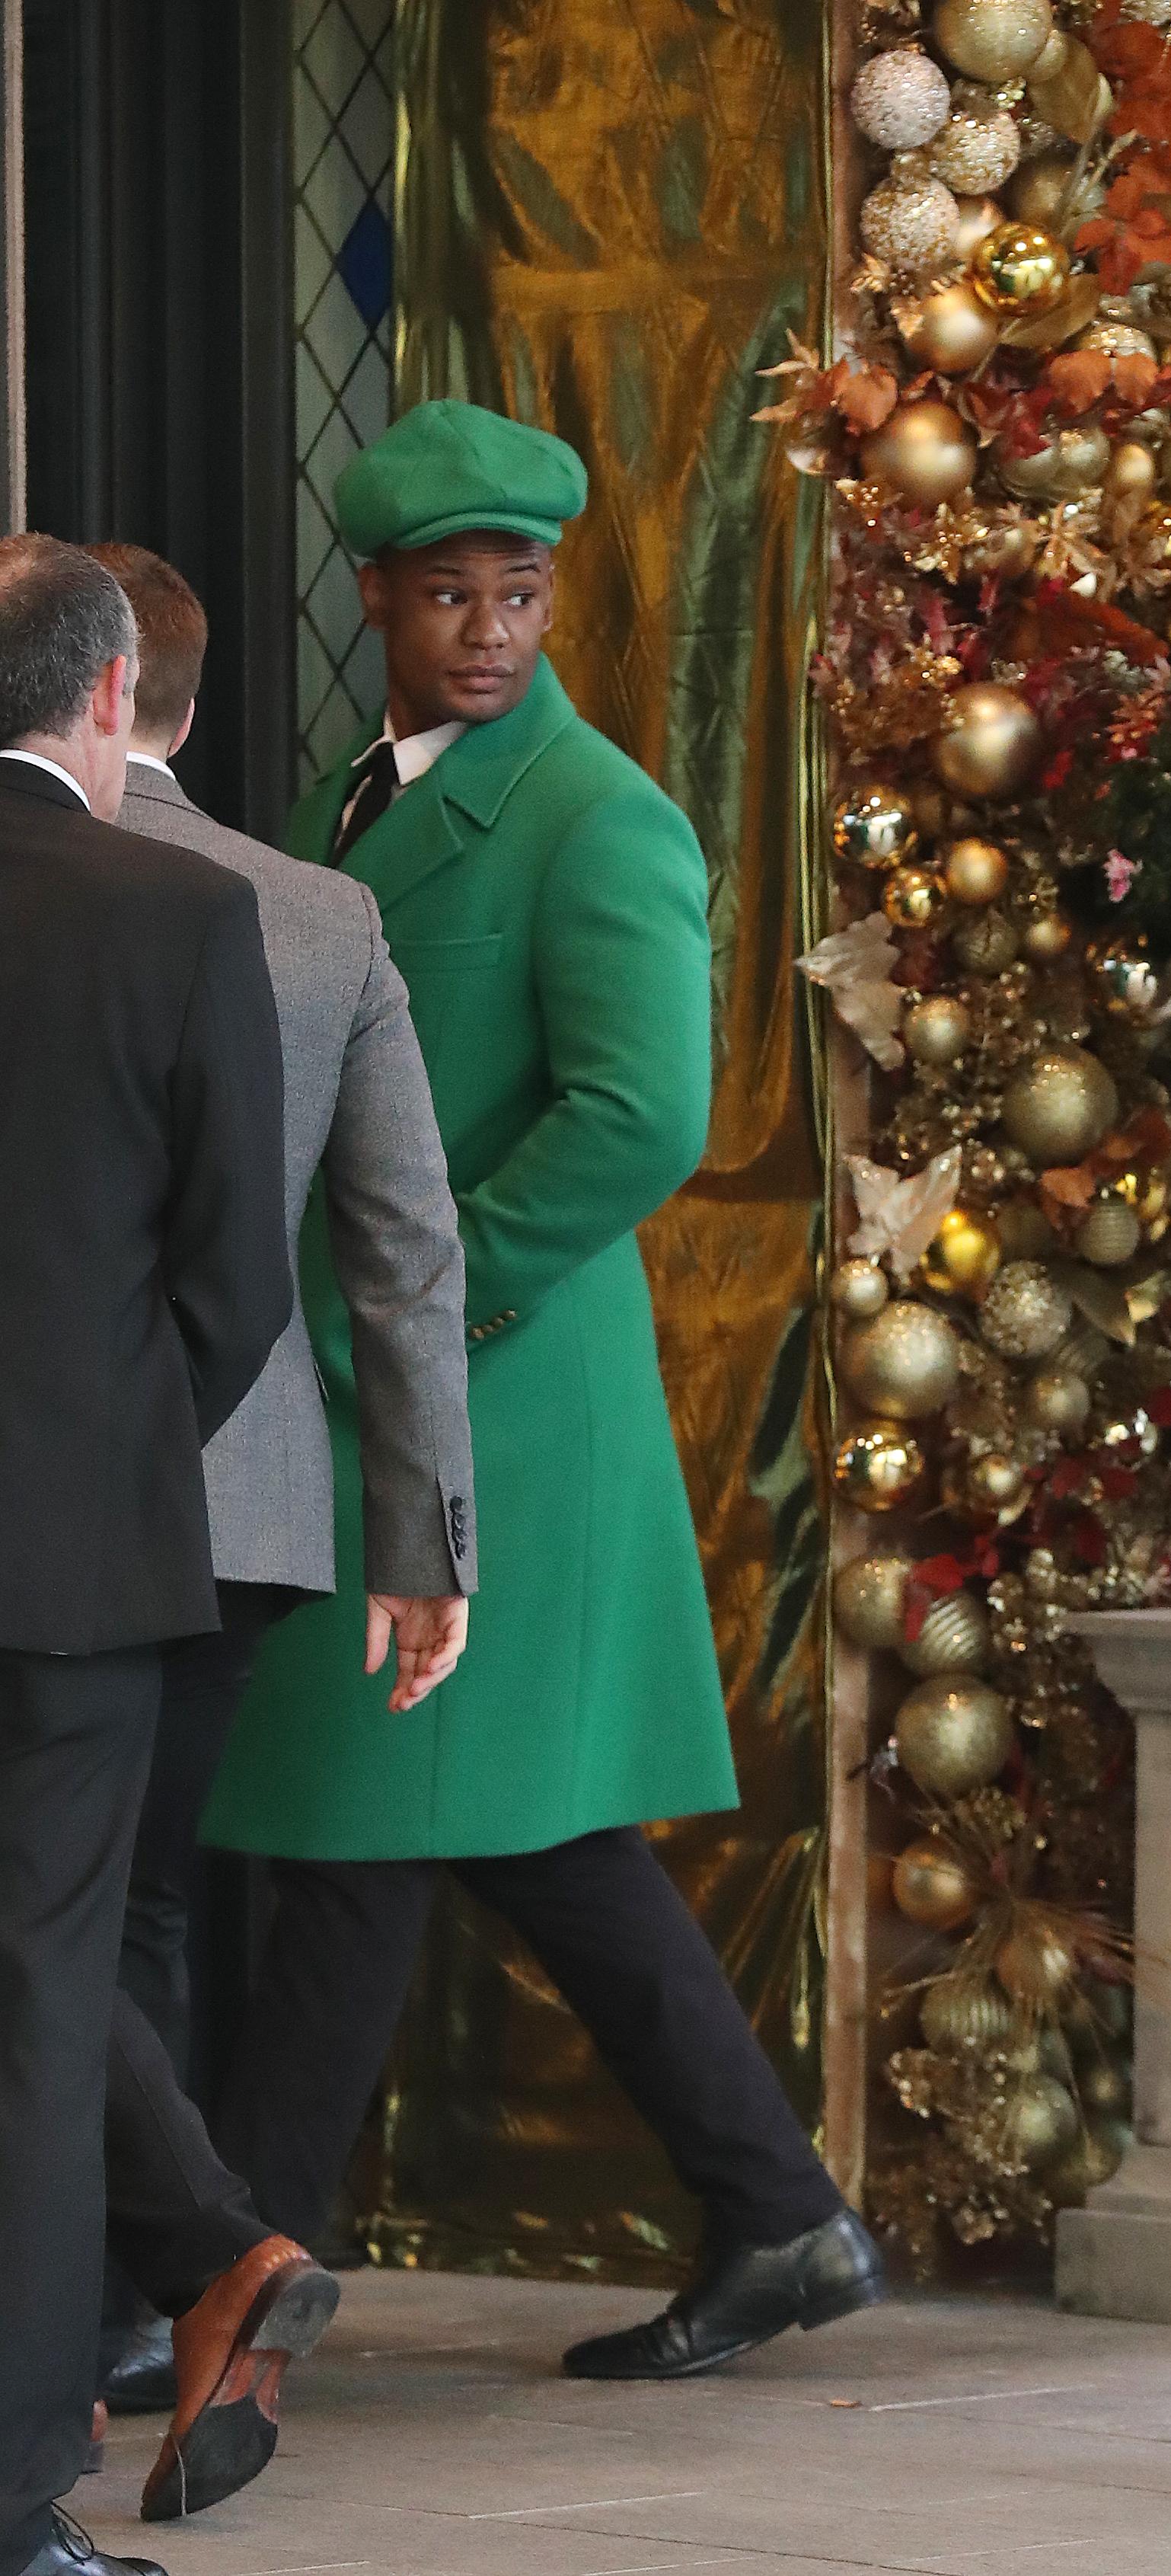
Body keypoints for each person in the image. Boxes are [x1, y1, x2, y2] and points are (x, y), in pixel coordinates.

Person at [203, 398, 882, 2376]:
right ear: (375, 600)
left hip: (490, 1402)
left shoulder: (597, 816)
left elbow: (643, 1119)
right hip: (423, 1401)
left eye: (518, 590)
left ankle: (225, 2291)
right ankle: (777, 2217)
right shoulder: (371, 787)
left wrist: (419, 1305)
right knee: (485, 1835)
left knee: (359, 1831)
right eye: (445, 594)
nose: (488, 630)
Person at [82, 543, 476, 2523]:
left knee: (62, 1913)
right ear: (182, 702)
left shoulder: (58, 890)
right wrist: (423, 1534)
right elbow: (407, 1247)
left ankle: (173, 2267)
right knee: (132, 1904)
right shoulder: (323, 913)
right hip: (251, 1503)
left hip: (61, 1494)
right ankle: (147, 2299)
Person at [0, 535, 287, 2576]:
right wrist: (113, 1448)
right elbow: (238, 1281)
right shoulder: (184, 914)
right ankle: (17, 2499)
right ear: (110, 701)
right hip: (80, 1563)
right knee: (43, 1996)